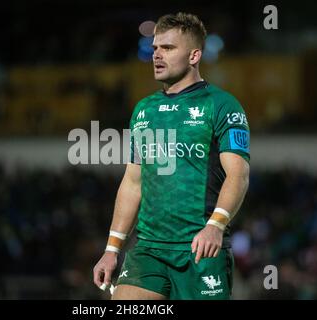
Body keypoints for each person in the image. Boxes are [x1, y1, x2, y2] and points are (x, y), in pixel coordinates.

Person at [93, 12, 250, 300]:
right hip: (148, 250)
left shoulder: (223, 105)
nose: (157, 55)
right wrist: (112, 249)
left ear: (194, 56)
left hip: (200, 248)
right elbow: (133, 182)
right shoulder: (143, 110)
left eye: (168, 48)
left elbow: (238, 175)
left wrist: (216, 226)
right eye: (155, 48)